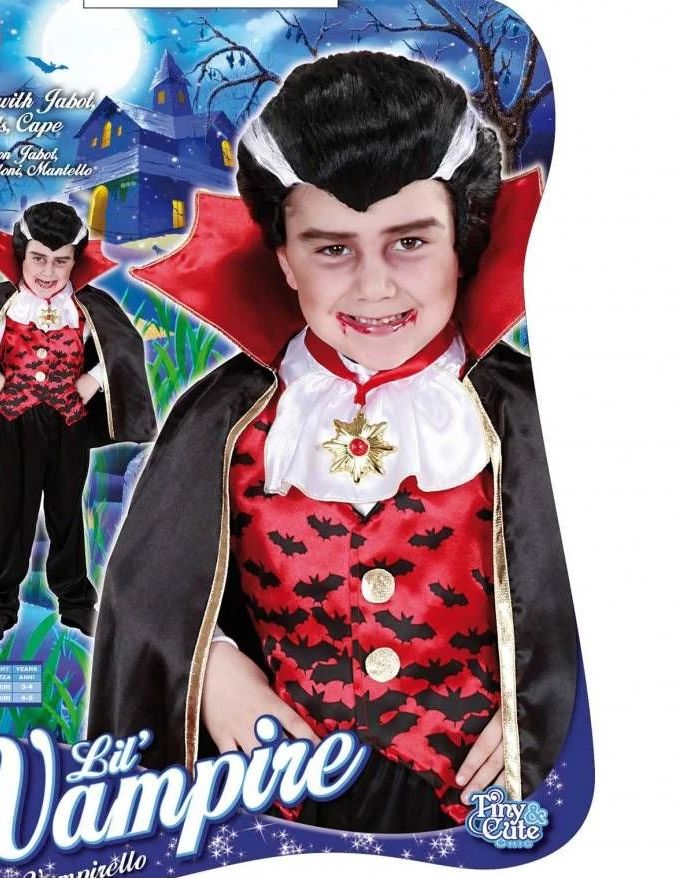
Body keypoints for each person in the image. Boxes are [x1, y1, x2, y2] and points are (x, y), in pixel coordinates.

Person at [88, 51, 577, 832]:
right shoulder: (225, 418)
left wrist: (552, 708)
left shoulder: (534, 414)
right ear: (284, 258)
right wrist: (209, 666)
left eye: (409, 242)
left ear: (462, 241)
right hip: (277, 797)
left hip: (478, 806)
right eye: (331, 248)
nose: (373, 286)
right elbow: (148, 597)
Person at [0, 201, 156, 644]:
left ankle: (75, 601)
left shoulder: (86, 307)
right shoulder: (4, 304)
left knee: (66, 510)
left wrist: (91, 381)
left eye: (60, 260)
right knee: (14, 514)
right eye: (38, 258)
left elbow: (125, 348)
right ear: (21, 254)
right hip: (12, 423)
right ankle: (0, 603)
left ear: (75, 260)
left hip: (68, 423)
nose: (48, 271)